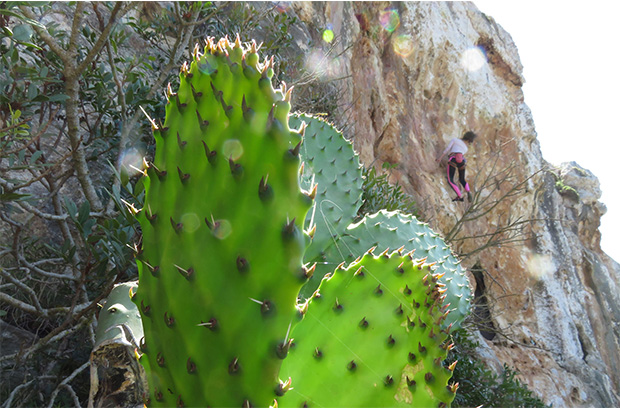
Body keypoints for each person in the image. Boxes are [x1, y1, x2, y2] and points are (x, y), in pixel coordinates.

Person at [435, 131, 477, 202]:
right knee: (462, 179)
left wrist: (440, 158)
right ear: (468, 140)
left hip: (453, 159)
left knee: (450, 180)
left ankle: (459, 195)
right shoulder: (465, 148)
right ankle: (468, 191)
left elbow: (447, 149)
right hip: (462, 162)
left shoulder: (455, 140)